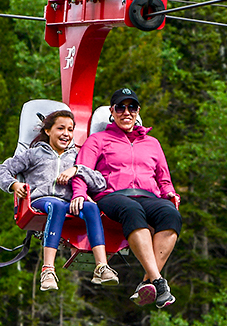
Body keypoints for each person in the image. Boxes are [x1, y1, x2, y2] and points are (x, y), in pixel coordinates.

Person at [72, 88, 182, 309]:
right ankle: (158, 282)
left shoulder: (152, 143)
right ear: (112, 111)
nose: (126, 112)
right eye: (120, 107)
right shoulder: (98, 140)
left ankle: (147, 284)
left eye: (131, 107)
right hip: (113, 195)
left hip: (148, 195)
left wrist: (170, 193)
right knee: (132, 210)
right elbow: (81, 170)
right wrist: (79, 194)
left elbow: (164, 178)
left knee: (171, 215)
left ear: (137, 111)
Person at [0, 110, 119, 291]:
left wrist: (77, 170)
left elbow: (100, 182)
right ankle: (48, 270)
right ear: (47, 131)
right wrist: (13, 185)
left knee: (91, 207)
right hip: (41, 200)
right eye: (60, 128)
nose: (66, 134)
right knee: (57, 205)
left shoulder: (76, 156)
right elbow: (1, 170)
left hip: (68, 203)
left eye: (70, 130)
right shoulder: (33, 154)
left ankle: (101, 266)